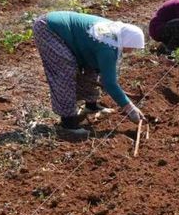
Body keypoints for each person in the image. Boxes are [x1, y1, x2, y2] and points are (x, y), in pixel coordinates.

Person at [32, 11, 146, 140]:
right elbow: (109, 83)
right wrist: (129, 108)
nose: (131, 51)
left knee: (91, 68)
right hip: (48, 28)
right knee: (65, 71)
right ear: (126, 41)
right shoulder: (108, 47)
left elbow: (102, 68)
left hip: (66, 31)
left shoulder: (116, 35)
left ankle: (91, 106)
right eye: (132, 47)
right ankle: (67, 123)